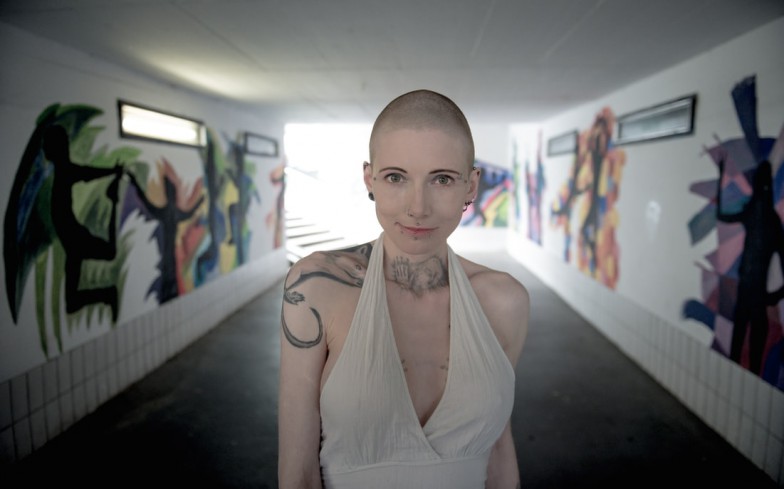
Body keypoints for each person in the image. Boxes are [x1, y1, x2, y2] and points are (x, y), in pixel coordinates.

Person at [278, 89, 529, 489]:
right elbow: (297, 472)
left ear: (471, 186)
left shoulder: (505, 301)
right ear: (369, 179)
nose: (418, 207)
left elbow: (498, 446)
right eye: (396, 177)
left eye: (442, 179)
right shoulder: (319, 287)